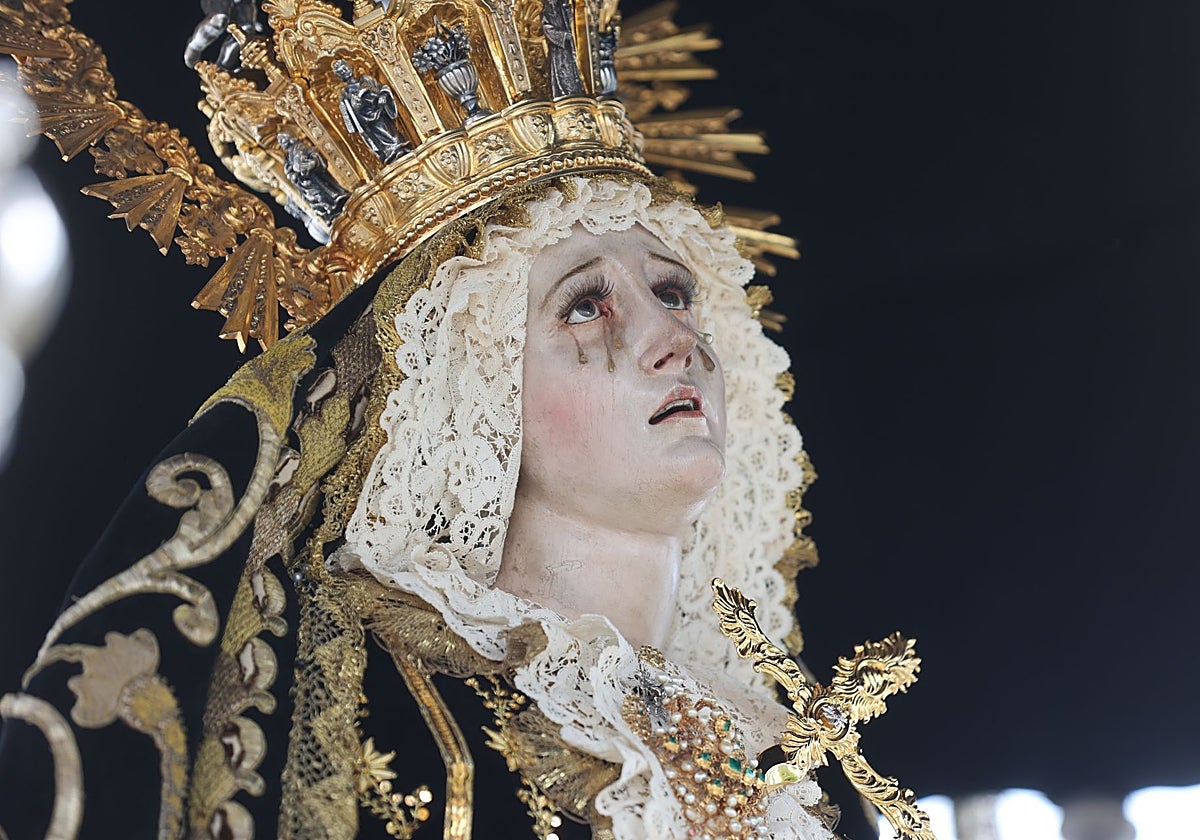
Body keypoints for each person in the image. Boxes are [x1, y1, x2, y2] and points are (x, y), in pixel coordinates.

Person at [0, 2, 927, 838]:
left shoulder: (786, 775)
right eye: (584, 305)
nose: (671, 339)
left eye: (675, 292)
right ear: (469, 385)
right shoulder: (389, 730)